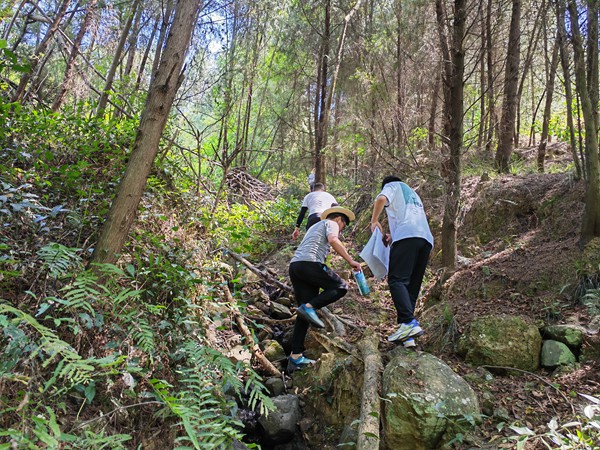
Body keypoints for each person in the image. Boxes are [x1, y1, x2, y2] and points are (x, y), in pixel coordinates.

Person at [287, 206, 362, 373]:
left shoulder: (314, 227)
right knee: (341, 286)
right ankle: (309, 307)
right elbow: (334, 239)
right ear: (340, 219)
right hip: (310, 263)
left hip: (295, 266)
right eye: (344, 225)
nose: (342, 229)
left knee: (303, 314)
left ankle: (296, 357)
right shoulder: (332, 223)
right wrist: (351, 261)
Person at [369, 175, 433, 348]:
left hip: (407, 236)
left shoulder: (392, 185)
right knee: (410, 287)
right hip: (425, 239)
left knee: (396, 280)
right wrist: (393, 236)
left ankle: (409, 323)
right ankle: (408, 336)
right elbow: (407, 218)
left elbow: (381, 199)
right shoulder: (413, 195)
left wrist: (374, 220)